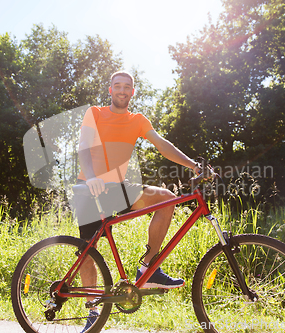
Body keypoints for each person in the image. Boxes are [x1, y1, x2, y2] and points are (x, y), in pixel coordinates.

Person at [74, 71, 199, 332]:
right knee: (89, 251)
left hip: (118, 188)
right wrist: (93, 177)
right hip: (89, 188)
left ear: (133, 92)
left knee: (167, 199)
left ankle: (148, 268)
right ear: (110, 90)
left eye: (127, 87)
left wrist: (193, 165)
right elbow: (84, 147)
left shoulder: (138, 120)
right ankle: (93, 312)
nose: (122, 90)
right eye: (117, 86)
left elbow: (162, 145)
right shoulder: (94, 113)